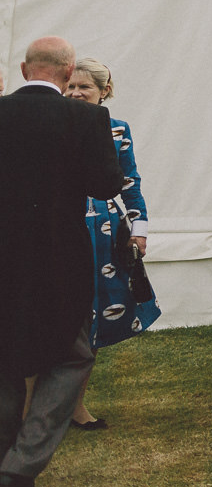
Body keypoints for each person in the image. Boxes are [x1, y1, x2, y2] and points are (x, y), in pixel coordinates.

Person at [0, 37, 124, 487]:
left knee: (4, 356)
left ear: (24, 67)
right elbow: (105, 184)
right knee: (70, 356)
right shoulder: (87, 117)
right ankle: (20, 468)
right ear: (69, 72)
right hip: (59, 256)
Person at [62, 57, 161, 430]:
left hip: (102, 233)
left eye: (83, 87)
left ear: (104, 91)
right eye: (70, 86)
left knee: (95, 318)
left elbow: (129, 182)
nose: (74, 93)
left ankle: (76, 407)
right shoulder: (54, 123)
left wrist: (139, 229)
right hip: (63, 226)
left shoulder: (117, 130)